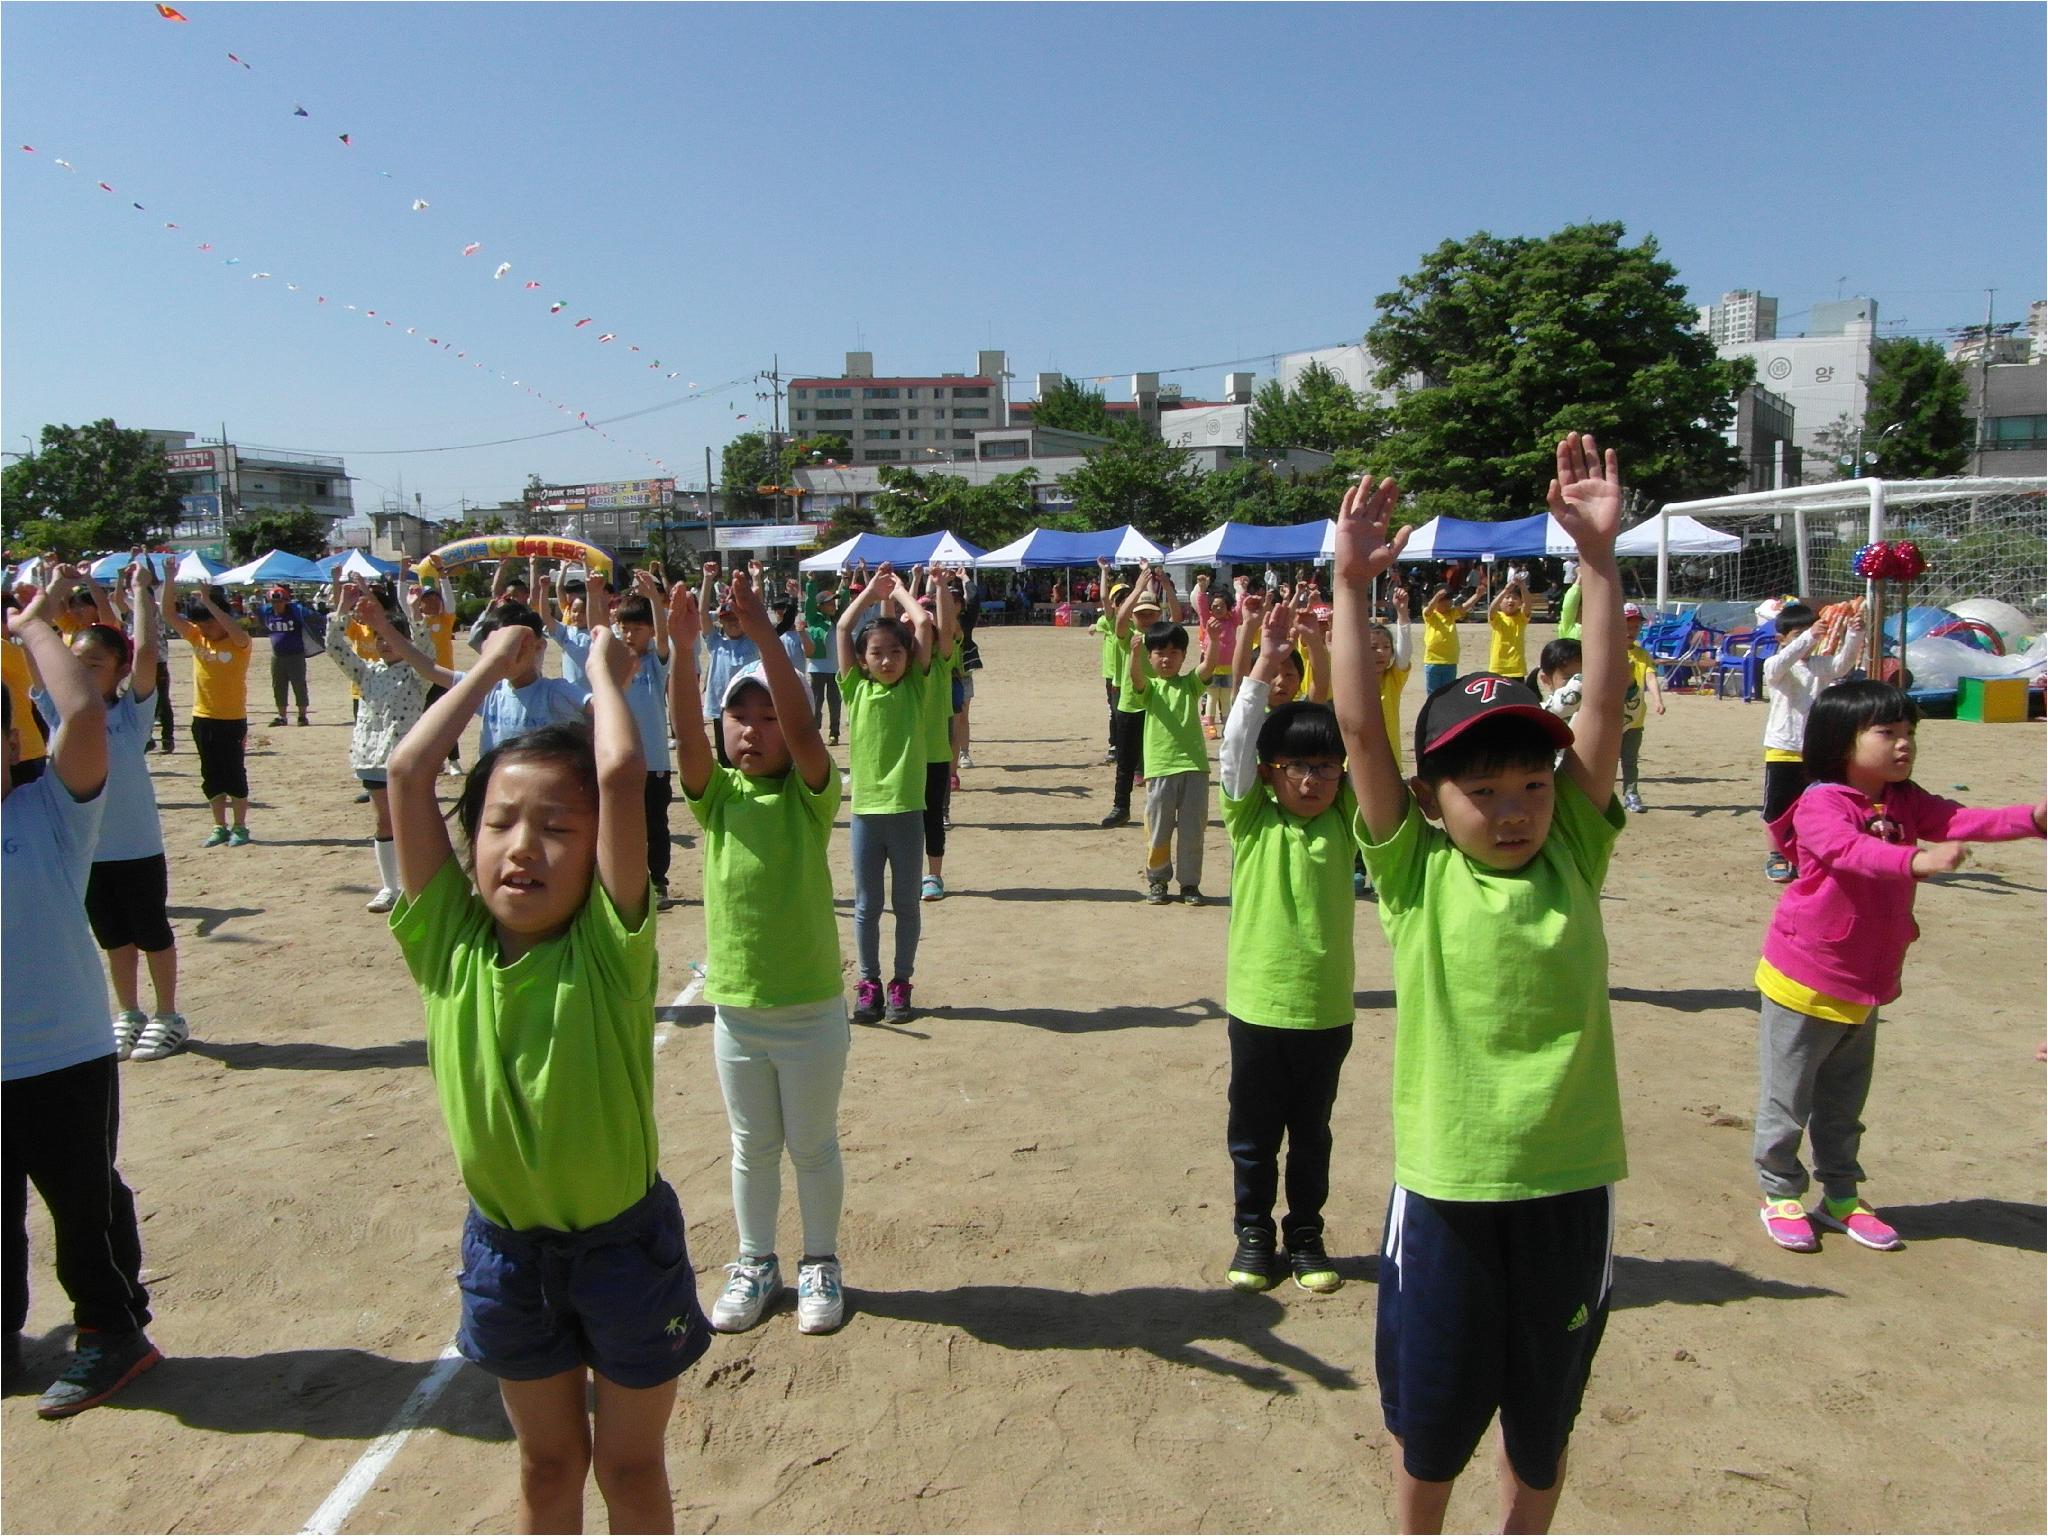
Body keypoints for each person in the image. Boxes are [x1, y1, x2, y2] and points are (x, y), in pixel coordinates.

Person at [1332, 437, 1629, 1535]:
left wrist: (1595, 560)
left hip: (1566, 1186)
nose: (1511, 810)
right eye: (1481, 788)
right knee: (1432, 1414)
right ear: (1428, 796)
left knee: (1542, 1419)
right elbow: (1359, 726)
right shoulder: (1411, 874)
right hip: (1451, 1190)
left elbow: (1597, 710)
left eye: (1529, 785)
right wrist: (1348, 587)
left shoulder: (1572, 851)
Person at [384, 619, 710, 1534]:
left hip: (623, 1252)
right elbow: (410, 773)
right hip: (507, 1254)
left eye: (556, 828)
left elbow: (617, 777)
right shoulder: (447, 944)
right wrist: (489, 666)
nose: (522, 847)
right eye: (499, 823)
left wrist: (602, 673)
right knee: (546, 1464)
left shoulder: (608, 950)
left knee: (632, 1467)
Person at [1752, 680, 2044, 1255]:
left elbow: (1963, 820)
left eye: (1910, 733)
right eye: (1888, 733)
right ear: (1841, 740)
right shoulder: (1821, 801)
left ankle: (1840, 1196)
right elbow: (1846, 851)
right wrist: (1916, 859)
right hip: (1805, 978)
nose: (1904, 744)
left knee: (1843, 1105)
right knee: (1788, 1101)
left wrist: (2032, 817)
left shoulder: (1905, 799)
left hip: (1865, 986)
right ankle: (1779, 1191)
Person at [669, 572, 850, 1338]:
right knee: (751, 1147)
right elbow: (685, 736)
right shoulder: (718, 798)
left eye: (765, 716)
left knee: (810, 1145)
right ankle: (754, 1260)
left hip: (810, 1009)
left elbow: (808, 731)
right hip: (737, 1009)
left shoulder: (811, 793)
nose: (751, 729)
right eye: (737, 716)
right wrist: (683, 651)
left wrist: (766, 638)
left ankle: (819, 1262)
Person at [3, 599, 163, 1418]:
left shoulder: (49, 813)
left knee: (82, 1202)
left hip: (60, 1055)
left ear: (10, 743)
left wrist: (28, 624)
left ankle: (111, 1331)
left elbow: (81, 713)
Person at [1217, 598, 1357, 1296]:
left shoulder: (1348, 821)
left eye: (1325, 768)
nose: (1311, 781)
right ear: (1271, 771)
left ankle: (1305, 1232)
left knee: (1313, 1134)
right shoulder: (1250, 818)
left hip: (1326, 1011)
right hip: (1256, 1006)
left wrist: (1327, 655)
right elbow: (1239, 743)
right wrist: (1265, 663)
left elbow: (1356, 735)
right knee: (1253, 1135)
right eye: (1295, 767)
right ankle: (1252, 1230)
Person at [29, 560, 185, 1062]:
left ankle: (168, 1014)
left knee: (151, 931)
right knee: (113, 937)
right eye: (76, 664)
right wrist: (55, 590)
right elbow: (35, 646)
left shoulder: (131, 715)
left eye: (93, 664)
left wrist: (141, 591)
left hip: (137, 847)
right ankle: (130, 1011)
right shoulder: (58, 712)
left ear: (117, 669)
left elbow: (144, 653)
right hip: (87, 849)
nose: (80, 672)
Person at [835, 563, 934, 1025]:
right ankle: (869, 982)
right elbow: (842, 627)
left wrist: (897, 593)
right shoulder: (855, 689)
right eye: (877, 653)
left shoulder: (914, 686)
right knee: (866, 905)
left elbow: (926, 624)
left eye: (897, 652)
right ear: (863, 660)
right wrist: (871, 595)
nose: (888, 660)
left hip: (907, 810)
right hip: (866, 813)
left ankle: (901, 982)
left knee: (907, 904)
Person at [325, 578, 447, 914]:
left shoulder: (416, 673)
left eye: (391, 638)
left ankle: (420, 885)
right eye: (379, 638)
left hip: (406, 758)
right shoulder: (367, 672)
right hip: (371, 757)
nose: (384, 644)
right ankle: (390, 887)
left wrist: (413, 613)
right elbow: (335, 646)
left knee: (413, 820)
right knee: (384, 821)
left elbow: (427, 651)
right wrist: (342, 606)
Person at [1759, 599, 1864, 883]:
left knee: (1816, 807)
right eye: (1797, 635)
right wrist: (1808, 637)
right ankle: (1777, 855)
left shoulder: (1818, 665)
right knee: (1777, 808)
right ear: (1781, 639)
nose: (1809, 639)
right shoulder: (1776, 664)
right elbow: (1777, 667)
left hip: (1815, 750)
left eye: (1812, 631)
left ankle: (1808, 854)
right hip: (1783, 748)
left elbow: (1842, 665)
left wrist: (1855, 634)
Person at [1123, 604, 1220, 906]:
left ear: (1182, 656)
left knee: (1193, 832)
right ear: (1151, 657)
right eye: (1160, 653)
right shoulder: (1150, 689)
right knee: (1158, 830)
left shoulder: (1188, 685)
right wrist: (1135, 654)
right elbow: (1136, 679)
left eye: (1174, 653)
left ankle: (1190, 884)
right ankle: (1158, 881)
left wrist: (1214, 642)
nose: (1167, 659)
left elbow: (1207, 669)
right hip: (1161, 769)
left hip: (1194, 768)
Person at [162, 571, 253, 846]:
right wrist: (169, 578)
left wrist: (210, 602)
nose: (204, 630)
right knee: (210, 774)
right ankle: (219, 826)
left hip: (232, 719)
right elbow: (168, 613)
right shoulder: (197, 637)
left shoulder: (240, 642)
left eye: (209, 625)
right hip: (202, 717)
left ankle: (240, 827)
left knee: (234, 773)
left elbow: (235, 631)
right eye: (200, 625)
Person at [464, 603, 591, 755]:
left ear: (538, 646)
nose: (502, 655)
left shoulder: (554, 692)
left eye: (510, 646)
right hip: (493, 778)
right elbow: (433, 672)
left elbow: (601, 710)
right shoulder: (491, 690)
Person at [1098, 565, 1171, 828]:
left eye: (1152, 614)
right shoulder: (1129, 636)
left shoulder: (1163, 638)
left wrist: (1165, 587)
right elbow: (1119, 621)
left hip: (1158, 706)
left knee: (1158, 760)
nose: (1147, 618)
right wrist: (1138, 588)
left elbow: (1175, 615)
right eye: (1142, 614)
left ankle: (1159, 809)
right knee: (1126, 760)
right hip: (1130, 705)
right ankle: (1121, 807)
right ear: (1135, 617)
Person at [912, 568, 961, 900]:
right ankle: (908, 873)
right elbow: (885, 625)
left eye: (929, 627)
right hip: (904, 755)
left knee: (931, 817)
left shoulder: (943, 662)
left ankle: (934, 875)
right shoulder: (900, 667)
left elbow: (946, 628)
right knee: (905, 821)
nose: (925, 632)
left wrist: (941, 586)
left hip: (934, 754)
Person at [402, 572, 465, 777]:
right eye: (427, 599)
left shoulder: (445, 620)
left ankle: (453, 760)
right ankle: (431, 762)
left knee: (447, 720)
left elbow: (451, 601)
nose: (433, 602)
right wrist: (403, 576)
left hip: (444, 677)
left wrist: (445, 576)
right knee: (422, 722)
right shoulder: (416, 621)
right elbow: (404, 601)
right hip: (422, 679)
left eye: (436, 599)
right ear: (419, 604)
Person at [697, 560, 759, 724]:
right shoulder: (716, 642)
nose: (732, 623)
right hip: (720, 708)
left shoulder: (752, 640)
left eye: (736, 619)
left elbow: (757, 611)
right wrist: (707, 579)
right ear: (720, 622)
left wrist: (756, 579)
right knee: (722, 750)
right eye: (727, 619)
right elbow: (702, 613)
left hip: (746, 707)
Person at [1618, 602, 1665, 813]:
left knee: (1630, 759)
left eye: (1635, 627)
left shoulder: (1642, 654)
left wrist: (1657, 700)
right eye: (1627, 626)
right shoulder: (1610, 652)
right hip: (1612, 717)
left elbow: (1650, 677)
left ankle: (1631, 794)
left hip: (1635, 717)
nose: (1631, 631)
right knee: (1606, 763)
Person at [259, 584, 318, 726]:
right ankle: (282, 716)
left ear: (286, 601)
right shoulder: (267, 613)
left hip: (295, 655)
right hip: (277, 656)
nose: (277, 605)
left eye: (280, 601)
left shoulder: (295, 613)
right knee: (278, 685)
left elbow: (313, 618)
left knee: (299, 685)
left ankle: (302, 716)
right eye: (273, 602)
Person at [1418, 570, 1484, 697]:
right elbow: (1428, 609)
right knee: (1433, 694)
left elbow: (1465, 606)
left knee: (1449, 693)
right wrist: (1436, 597)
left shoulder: (1451, 613)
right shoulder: (1431, 615)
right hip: (1433, 661)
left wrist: (1477, 596)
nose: (1447, 603)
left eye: (1449, 600)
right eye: (1443, 600)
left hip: (1450, 661)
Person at [1192, 573, 1240, 741]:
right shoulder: (1207, 620)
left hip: (1228, 667)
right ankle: (1211, 725)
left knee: (1226, 699)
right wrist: (1202, 590)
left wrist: (1240, 591)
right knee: (1212, 697)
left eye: (1221, 606)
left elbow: (1239, 610)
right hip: (1212, 666)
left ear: (1227, 607)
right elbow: (1202, 606)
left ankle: (1227, 726)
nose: (1218, 609)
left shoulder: (1231, 622)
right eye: (1214, 606)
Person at [802, 577, 844, 744]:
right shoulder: (814, 619)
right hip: (817, 668)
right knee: (816, 702)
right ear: (820, 606)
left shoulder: (838, 620)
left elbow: (845, 601)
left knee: (835, 703)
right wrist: (811, 583)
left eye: (834, 603)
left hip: (835, 669)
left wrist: (845, 585)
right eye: (829, 603)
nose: (833, 606)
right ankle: (815, 730)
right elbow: (809, 604)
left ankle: (834, 732)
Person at [1486, 574, 1530, 679]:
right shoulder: (1498, 617)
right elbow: (1492, 608)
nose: (1510, 600)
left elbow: (1528, 604)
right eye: (1507, 598)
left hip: (1516, 667)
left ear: (1520, 602)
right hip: (1498, 667)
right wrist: (1505, 590)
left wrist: (1522, 586)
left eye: (1515, 598)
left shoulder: (1521, 618)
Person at [1534, 637, 1585, 725]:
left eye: (1584, 678)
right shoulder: (1540, 713)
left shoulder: (1600, 713)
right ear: (1546, 680)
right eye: (1568, 679)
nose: (1577, 686)